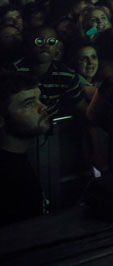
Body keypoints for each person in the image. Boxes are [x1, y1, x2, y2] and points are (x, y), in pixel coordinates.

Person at [0, 72, 51, 225]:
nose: (43, 107)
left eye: (39, 99)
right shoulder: (6, 177)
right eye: (29, 104)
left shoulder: (17, 160)